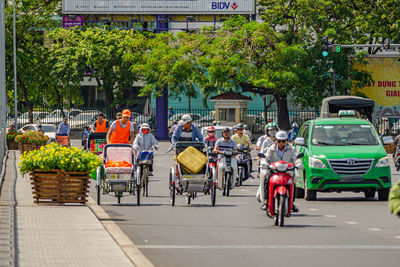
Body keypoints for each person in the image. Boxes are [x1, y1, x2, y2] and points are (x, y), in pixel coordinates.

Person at [260, 131, 301, 212]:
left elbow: (296, 158)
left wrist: (298, 164)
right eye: (279, 141)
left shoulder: (291, 149)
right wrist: (264, 163)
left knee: (293, 183)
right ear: (276, 141)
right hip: (274, 171)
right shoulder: (271, 149)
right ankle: (266, 201)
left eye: (283, 141)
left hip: (287, 172)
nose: (281, 143)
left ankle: (291, 203)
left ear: (286, 141)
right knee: (267, 179)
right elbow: (266, 158)